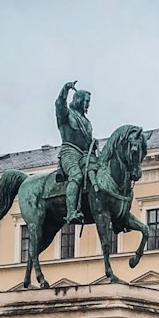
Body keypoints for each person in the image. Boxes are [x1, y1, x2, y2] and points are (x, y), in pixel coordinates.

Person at [55, 80, 94, 224]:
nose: (88, 105)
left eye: (89, 102)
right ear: (78, 100)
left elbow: (87, 142)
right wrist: (65, 89)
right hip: (69, 153)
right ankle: (71, 212)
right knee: (77, 176)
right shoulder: (67, 115)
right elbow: (59, 104)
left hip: (84, 156)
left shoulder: (87, 123)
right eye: (86, 101)